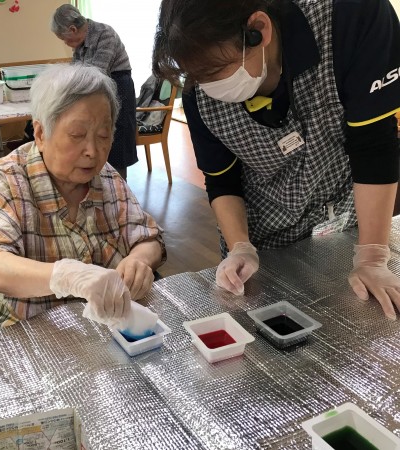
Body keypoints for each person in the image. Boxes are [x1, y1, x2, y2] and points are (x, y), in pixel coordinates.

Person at [152, 0, 400, 319]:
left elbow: (375, 146)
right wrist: (240, 247)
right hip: (262, 240)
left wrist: (372, 255)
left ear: (258, 30)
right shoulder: (198, 94)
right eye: (197, 77)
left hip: (343, 226)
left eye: (214, 71)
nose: (209, 88)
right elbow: (222, 180)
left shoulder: (351, 17)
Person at [0, 64, 166, 334]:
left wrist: (139, 261)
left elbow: (148, 238)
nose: (92, 151)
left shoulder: (107, 177)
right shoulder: (6, 179)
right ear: (40, 134)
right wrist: (65, 276)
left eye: (104, 136)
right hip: (23, 330)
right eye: (77, 135)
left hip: (98, 328)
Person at [51, 4, 138, 180]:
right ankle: (98, 183)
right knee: (96, 138)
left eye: (65, 39)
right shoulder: (80, 43)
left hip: (118, 87)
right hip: (95, 90)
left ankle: (119, 187)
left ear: (73, 29)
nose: (66, 43)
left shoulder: (105, 34)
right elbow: (77, 71)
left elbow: (96, 73)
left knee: (117, 141)